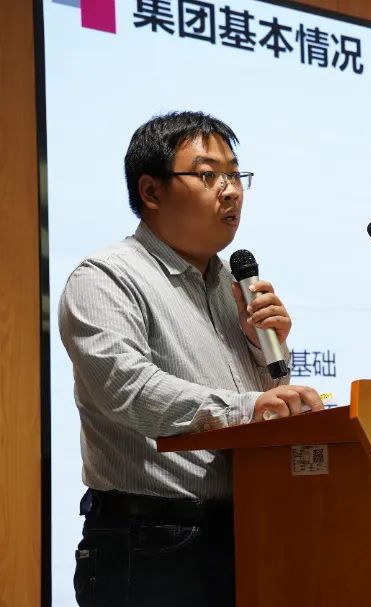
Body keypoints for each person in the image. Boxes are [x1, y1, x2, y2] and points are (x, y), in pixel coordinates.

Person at [58, 111, 324, 607]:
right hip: (151, 542)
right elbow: (129, 390)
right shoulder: (106, 277)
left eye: (236, 175)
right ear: (151, 191)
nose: (231, 191)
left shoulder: (232, 287)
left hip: (246, 528)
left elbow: (258, 414)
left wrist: (263, 350)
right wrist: (249, 407)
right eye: (208, 175)